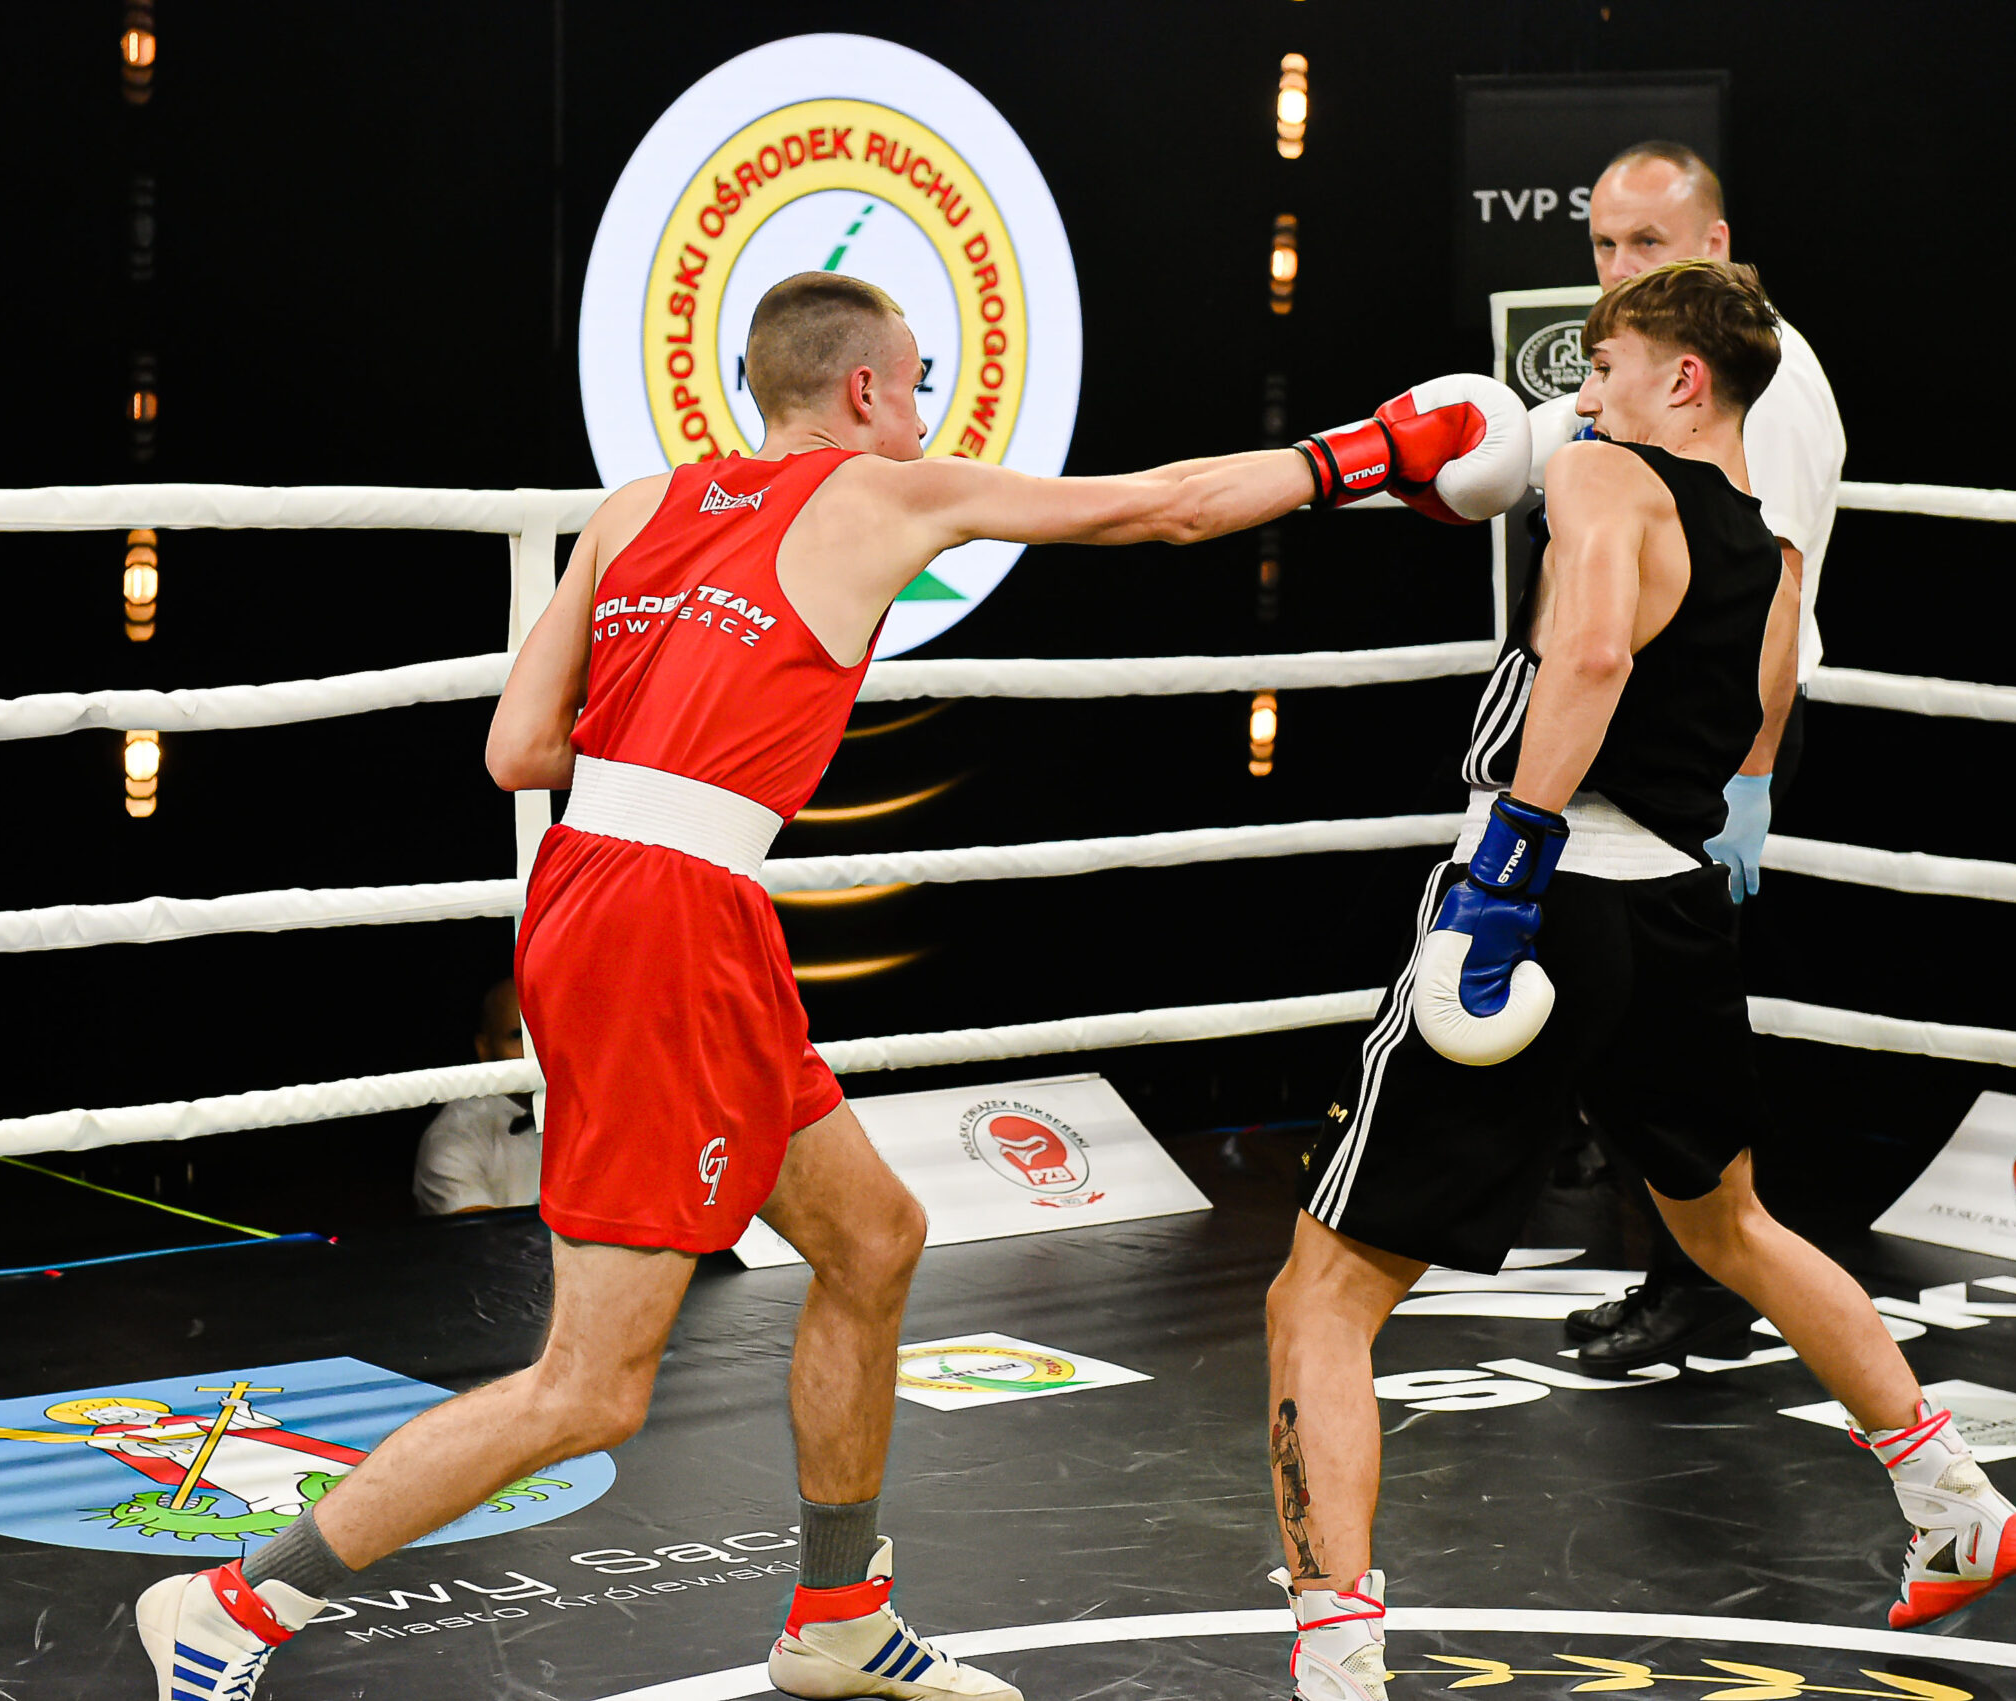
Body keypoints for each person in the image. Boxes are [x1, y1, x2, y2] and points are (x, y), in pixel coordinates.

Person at [133, 267, 1531, 1699]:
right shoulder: (880, 496)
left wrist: (677, 728)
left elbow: (516, 751)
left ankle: (839, 1617)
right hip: (664, 923)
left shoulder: (635, 507)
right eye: (916, 385)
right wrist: (1370, 452)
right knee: (590, 1387)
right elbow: (1162, 507)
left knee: (872, 1238)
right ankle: (232, 1605)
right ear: (863, 390)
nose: (924, 413)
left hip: (622, 893)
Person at [1268, 261, 2016, 1701]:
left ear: (1682, 379)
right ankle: (1955, 1500)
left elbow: (1594, 653)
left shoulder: (1606, 477)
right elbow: (1755, 707)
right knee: (1730, 1220)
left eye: (1606, 364)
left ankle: (1337, 1657)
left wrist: (1509, 860)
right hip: (1670, 913)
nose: (1582, 394)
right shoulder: (1762, 543)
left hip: (1547, 891)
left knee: (1321, 1291)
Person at [1537, 140, 1849, 1372]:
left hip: (1717, 733)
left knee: (1676, 1029)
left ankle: (1703, 1281)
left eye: (1647, 243)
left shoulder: (1762, 378)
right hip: (1667, 728)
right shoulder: (1638, 367)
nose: (1618, 266)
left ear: (1713, 245)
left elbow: (1771, 584)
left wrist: (1748, 776)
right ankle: (1689, 1271)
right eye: (1604, 244)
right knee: (1644, 1026)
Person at [411, 979, 539, 1215]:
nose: (536, 1049)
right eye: (518, 1035)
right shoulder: (454, 1137)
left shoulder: (598, 1113)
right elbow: (486, 1236)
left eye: (546, 1031)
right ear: (484, 1049)